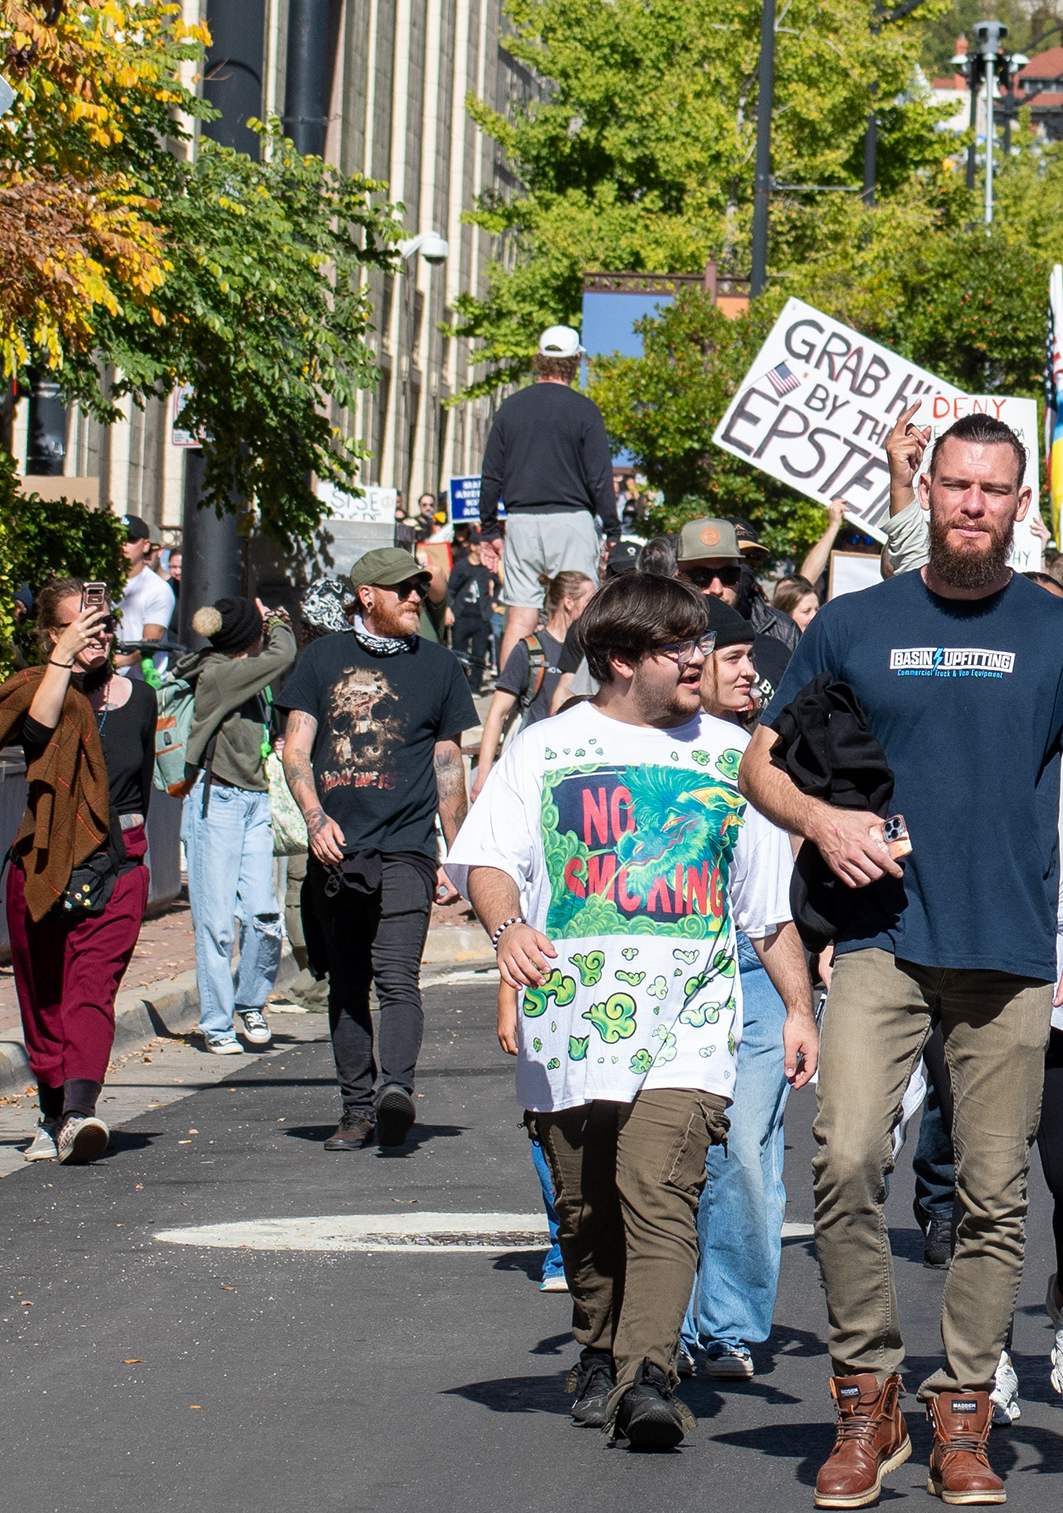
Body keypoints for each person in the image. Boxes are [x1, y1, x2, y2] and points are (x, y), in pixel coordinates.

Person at [741, 414, 1063, 1511]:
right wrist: (820, 820)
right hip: (880, 938)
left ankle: (964, 1414)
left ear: (1019, 505)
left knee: (995, 1193)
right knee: (848, 1155)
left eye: (991, 489)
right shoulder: (856, 625)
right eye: (954, 485)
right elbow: (759, 763)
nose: (970, 503)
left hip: (1010, 952)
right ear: (929, 494)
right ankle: (868, 1400)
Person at [452, 573, 815, 1451]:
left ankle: (648, 1376)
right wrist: (506, 929)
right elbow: (489, 858)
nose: (702, 660)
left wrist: (801, 1007)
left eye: (703, 644)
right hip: (568, 1022)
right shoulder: (547, 747)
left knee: (660, 1191)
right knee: (584, 1211)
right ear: (619, 659)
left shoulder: (737, 757)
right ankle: (599, 1343)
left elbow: (766, 912)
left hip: (689, 1020)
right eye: (679, 647)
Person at [277, 545, 481, 1156]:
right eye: (403, 589)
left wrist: (460, 855)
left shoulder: (440, 667)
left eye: (419, 587)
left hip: (408, 848)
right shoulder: (321, 659)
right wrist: (315, 820)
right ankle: (355, 1110)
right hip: (338, 850)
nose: (417, 596)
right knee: (347, 982)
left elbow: (448, 764)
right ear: (367, 596)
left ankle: (396, 1090)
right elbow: (295, 750)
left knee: (396, 975)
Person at [0, 581, 157, 1162]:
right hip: (44, 863)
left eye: (105, 624)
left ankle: (81, 1113)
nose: (100, 635)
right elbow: (34, 734)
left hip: (118, 866)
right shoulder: (39, 692)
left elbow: (140, 787)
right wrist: (62, 662)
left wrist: (136, 853)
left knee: (91, 990)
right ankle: (51, 1111)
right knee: (43, 996)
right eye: (83, 626)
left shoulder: (139, 699)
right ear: (53, 634)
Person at [681, 594, 801, 1383]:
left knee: (745, 1153)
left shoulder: (758, 747)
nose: (747, 671)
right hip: (666, 973)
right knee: (664, 1157)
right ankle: (663, 1321)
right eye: (731, 659)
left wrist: (802, 992)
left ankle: (725, 1324)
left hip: (759, 966)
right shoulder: (646, 745)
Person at [173, 596, 298, 1055]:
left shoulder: (250, 677)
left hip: (255, 801)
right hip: (217, 801)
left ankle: (249, 1002)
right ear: (250, 634)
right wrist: (278, 617)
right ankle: (216, 1022)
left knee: (265, 917)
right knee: (217, 922)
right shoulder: (221, 674)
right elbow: (283, 653)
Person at [484, 324, 619, 676]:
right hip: (572, 519)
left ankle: (509, 700)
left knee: (520, 615)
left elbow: (491, 473)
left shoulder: (510, 408)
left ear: (539, 359)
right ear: (576, 360)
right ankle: (573, 697)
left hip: (521, 521)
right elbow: (600, 478)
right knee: (581, 611)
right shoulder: (584, 410)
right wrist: (613, 527)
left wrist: (487, 529)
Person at [473, 569, 590, 782]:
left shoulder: (590, 650)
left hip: (574, 762)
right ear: (569, 602)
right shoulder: (530, 649)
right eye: (589, 600)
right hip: (532, 763)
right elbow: (498, 713)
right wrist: (483, 775)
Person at [443, 529, 504, 686]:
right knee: (459, 652)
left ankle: (475, 684)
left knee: (479, 653)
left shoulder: (487, 567)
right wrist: (449, 608)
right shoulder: (461, 566)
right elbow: (450, 589)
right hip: (462, 615)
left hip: (481, 616)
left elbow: (498, 585)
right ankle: (459, 684)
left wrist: (494, 601)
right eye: (481, 546)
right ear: (473, 547)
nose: (484, 549)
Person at [111, 519, 176, 650]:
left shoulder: (158, 589)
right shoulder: (104, 583)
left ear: (146, 545)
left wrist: (116, 663)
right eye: (119, 538)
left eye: (131, 539)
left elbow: (150, 645)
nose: (123, 545)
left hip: (142, 670)